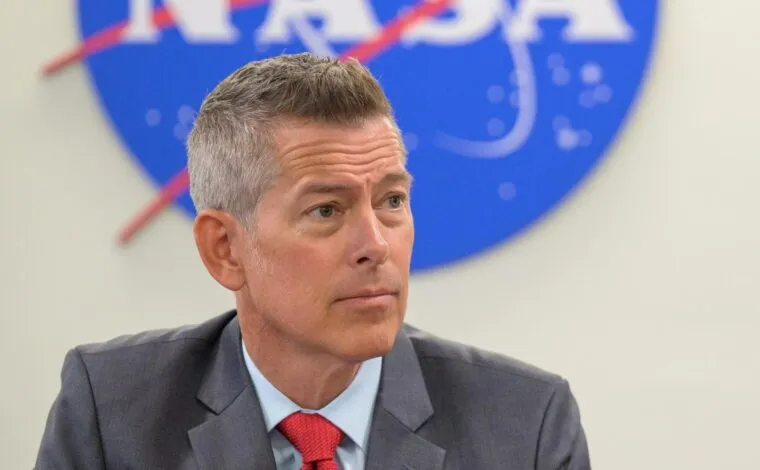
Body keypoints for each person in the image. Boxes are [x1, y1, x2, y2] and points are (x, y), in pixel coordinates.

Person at [35, 52, 590, 470]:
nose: (376, 244)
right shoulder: (112, 413)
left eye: (392, 200)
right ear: (224, 249)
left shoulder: (526, 425)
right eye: (326, 210)